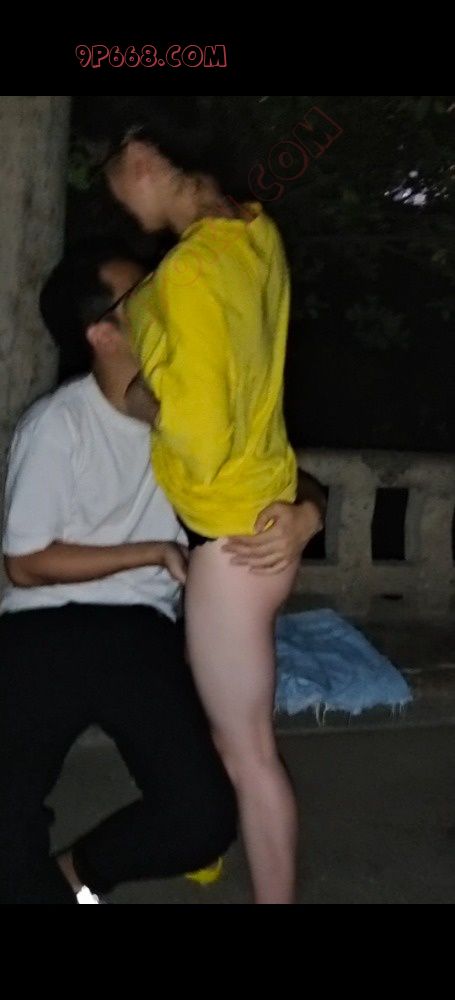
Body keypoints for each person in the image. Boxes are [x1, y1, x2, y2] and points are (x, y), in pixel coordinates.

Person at [0, 240, 325, 904]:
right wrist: (149, 552)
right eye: (144, 298)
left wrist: (308, 514)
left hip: (139, 631)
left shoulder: (192, 415)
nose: (166, 304)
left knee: (202, 819)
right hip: (41, 627)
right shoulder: (58, 425)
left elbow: (290, 477)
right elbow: (25, 565)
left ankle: (76, 880)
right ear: (103, 334)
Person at [96, 103, 319, 902]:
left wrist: (139, 394)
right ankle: (217, 856)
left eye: (119, 181)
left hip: (229, 541)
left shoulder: (189, 272)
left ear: (145, 163)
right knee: (237, 734)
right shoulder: (253, 231)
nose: (122, 202)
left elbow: (194, 431)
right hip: (263, 507)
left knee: (247, 753)